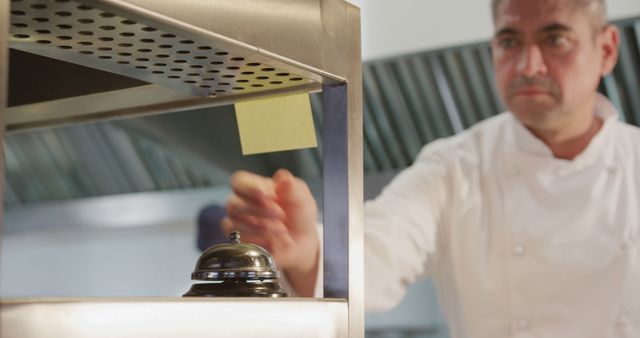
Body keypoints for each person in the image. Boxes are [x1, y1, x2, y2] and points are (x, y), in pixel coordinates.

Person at [222, 0, 640, 336]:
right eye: (510, 41)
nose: (530, 64)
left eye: (555, 38)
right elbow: (379, 251)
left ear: (606, 50)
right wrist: (308, 251)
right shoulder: (454, 166)